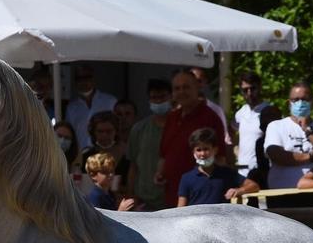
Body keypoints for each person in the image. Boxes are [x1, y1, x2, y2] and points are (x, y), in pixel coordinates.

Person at [157, 69, 227, 209]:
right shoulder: (172, 117)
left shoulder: (210, 117)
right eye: (177, 88)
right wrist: (160, 173)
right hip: (172, 194)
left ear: (197, 87)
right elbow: (164, 154)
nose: (181, 92)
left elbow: (221, 158)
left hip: (199, 198)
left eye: (186, 87)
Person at [263, 81, 313, 189]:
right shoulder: (276, 126)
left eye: (305, 99)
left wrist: (308, 130)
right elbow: (275, 154)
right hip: (282, 193)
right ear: (289, 103)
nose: (300, 103)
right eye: (295, 100)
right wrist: (312, 157)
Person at [176, 128, 256, 207]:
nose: (203, 154)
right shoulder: (187, 178)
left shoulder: (226, 173)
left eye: (206, 149)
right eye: (198, 150)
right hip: (196, 218)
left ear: (215, 150)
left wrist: (239, 190)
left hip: (221, 218)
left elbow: (253, 185)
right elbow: (181, 207)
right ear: (193, 152)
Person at [127, 78, 172, 211]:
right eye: (154, 97)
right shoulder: (139, 129)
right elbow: (133, 166)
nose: (158, 101)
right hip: (143, 201)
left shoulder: (178, 127)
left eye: (162, 97)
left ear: (171, 97)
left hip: (171, 200)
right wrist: (131, 196)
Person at [65, 64, 117, 150]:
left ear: (93, 79)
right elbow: (69, 134)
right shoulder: (71, 108)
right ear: (75, 81)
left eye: (87, 78)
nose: (83, 82)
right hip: (81, 155)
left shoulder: (110, 101)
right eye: (79, 79)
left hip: (107, 152)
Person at [232, 70, 270, 179]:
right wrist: (236, 152)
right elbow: (231, 133)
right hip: (242, 171)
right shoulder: (240, 113)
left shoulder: (269, 111)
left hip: (262, 171)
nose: (249, 93)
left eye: (253, 88)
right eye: (245, 90)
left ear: (259, 87)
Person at [81, 110, 129, 191]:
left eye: (109, 131)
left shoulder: (126, 156)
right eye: (100, 131)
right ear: (93, 133)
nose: (104, 135)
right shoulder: (86, 156)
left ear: (116, 131)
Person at [188, 66, 231, 146]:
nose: (195, 85)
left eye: (199, 81)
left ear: (205, 82)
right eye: (192, 81)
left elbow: (224, 138)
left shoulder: (216, 110)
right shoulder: (179, 110)